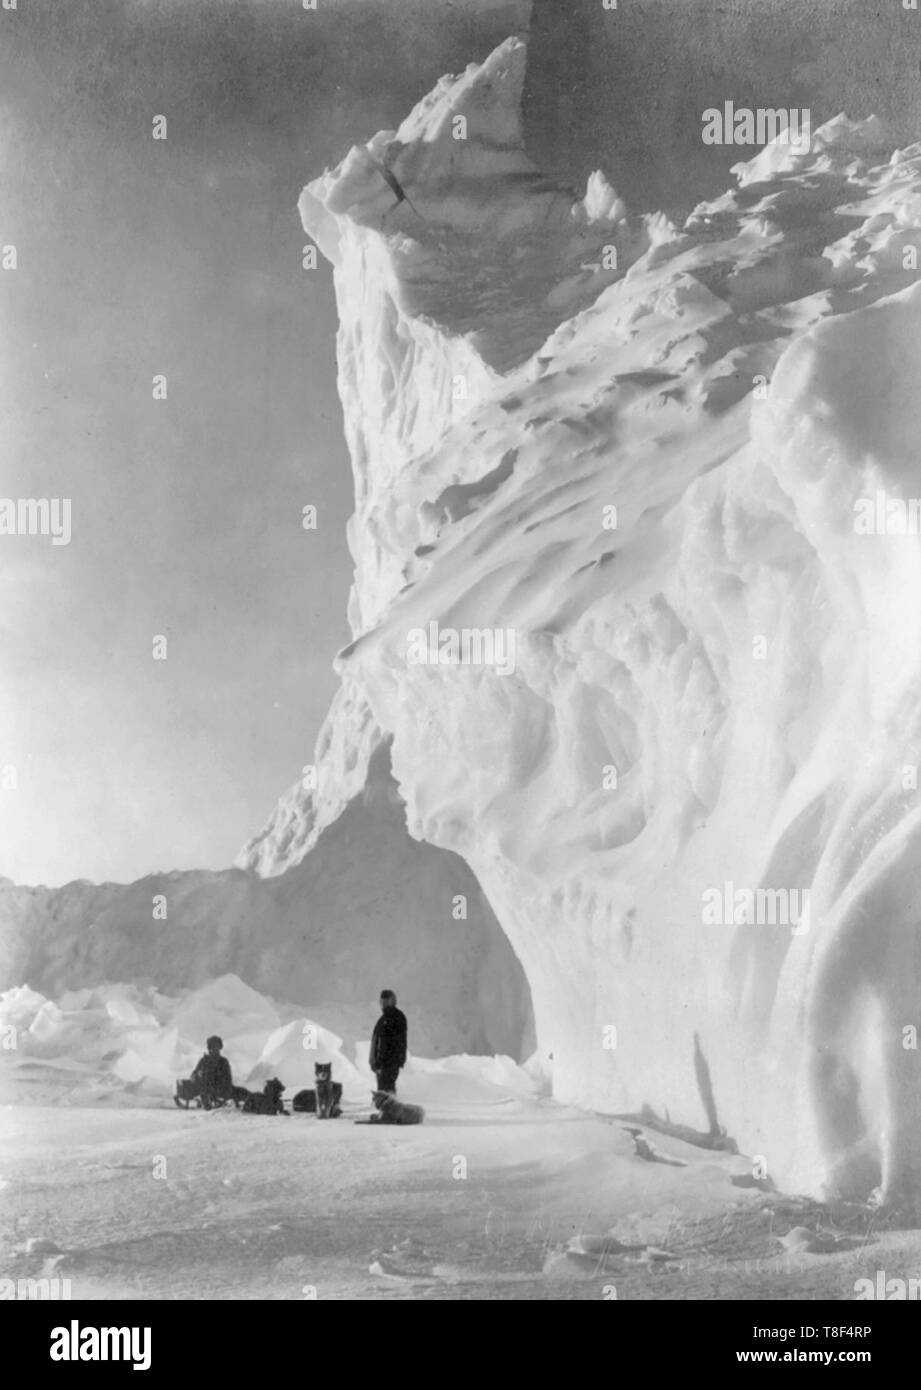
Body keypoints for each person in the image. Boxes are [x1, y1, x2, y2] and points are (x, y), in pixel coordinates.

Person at [369, 990, 407, 1095]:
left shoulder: (398, 1017)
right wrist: (373, 1061)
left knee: (388, 1092)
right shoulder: (382, 1020)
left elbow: (399, 1041)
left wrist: (398, 1059)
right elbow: (375, 1041)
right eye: (382, 1001)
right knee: (382, 1092)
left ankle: (391, 1110)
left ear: (393, 1000)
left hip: (390, 1062)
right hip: (380, 1064)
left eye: (387, 1000)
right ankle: (385, 1111)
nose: (384, 1003)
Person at [191, 1034, 234, 1110]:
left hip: (221, 1088)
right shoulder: (204, 1060)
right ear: (209, 1048)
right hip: (208, 1089)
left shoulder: (223, 1061)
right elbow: (195, 1072)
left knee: (243, 1092)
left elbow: (228, 1078)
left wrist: (228, 1089)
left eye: (217, 1047)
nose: (215, 1049)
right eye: (213, 1047)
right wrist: (195, 1076)